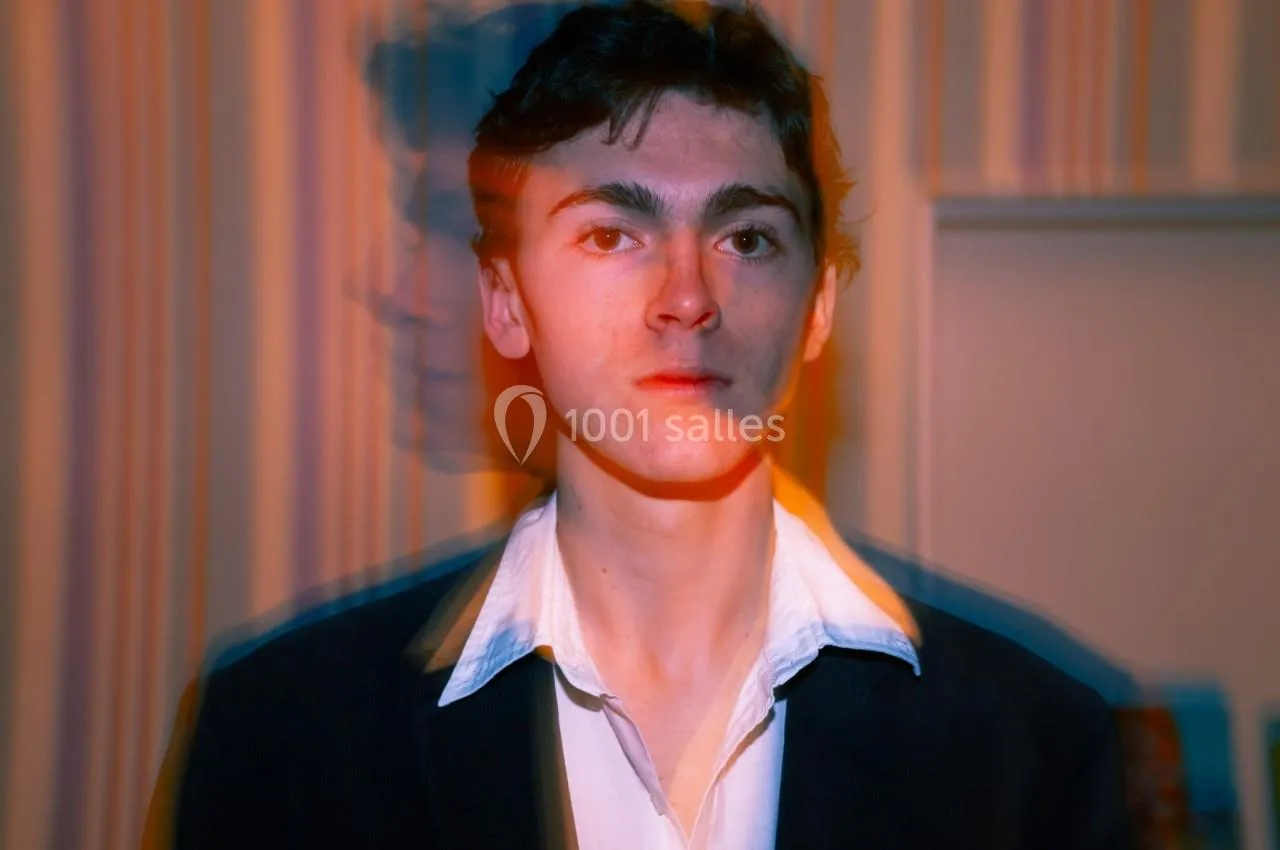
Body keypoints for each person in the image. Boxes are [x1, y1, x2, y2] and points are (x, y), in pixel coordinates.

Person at [164, 2, 1135, 848]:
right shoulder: (285, 732)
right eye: (611, 234)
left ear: (818, 307)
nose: (687, 298)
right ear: (505, 302)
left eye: (745, 237)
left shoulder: (1035, 742)